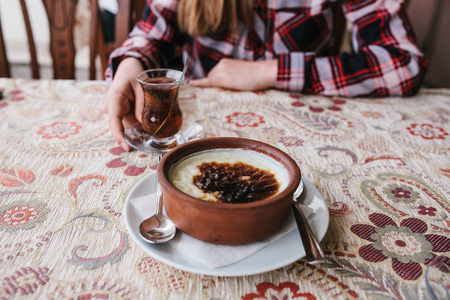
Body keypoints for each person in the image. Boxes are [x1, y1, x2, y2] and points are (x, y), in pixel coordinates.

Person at [103, 0, 427, 151]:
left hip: (309, 134)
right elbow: (150, 38)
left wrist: (271, 72)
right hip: (203, 132)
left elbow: (403, 64)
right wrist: (130, 64)